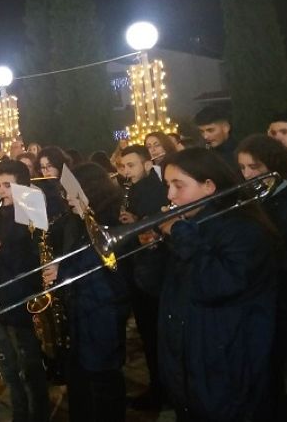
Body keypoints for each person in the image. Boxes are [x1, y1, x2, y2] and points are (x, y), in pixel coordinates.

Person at [158, 148, 277, 422]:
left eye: (179, 185)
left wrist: (178, 233)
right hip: (194, 369)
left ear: (209, 186)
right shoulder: (191, 225)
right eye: (168, 185)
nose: (170, 196)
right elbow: (156, 288)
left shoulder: (244, 229)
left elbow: (216, 284)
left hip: (228, 371)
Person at [44, 163, 130, 422]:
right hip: (79, 307)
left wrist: (64, 270)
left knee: (103, 378)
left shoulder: (110, 220)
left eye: (72, 192)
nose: (67, 198)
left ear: (89, 190)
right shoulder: (75, 221)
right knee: (79, 375)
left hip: (103, 308)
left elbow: (109, 266)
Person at [236, 134, 287, 421]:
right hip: (270, 296)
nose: (247, 174)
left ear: (273, 164)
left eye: (255, 167)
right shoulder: (261, 194)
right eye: (242, 167)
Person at [0, 159, 49, 422]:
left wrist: (1, 250)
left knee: (28, 367)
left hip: (21, 300)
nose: (1, 191)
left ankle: (37, 414)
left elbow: (35, 260)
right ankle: (20, 413)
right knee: (7, 365)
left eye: (8, 185)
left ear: (23, 186)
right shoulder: (0, 213)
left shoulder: (32, 213)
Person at [117, 145, 170, 410]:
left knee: (155, 337)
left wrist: (137, 221)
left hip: (153, 273)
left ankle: (163, 392)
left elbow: (157, 225)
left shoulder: (154, 189)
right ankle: (158, 388)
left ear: (147, 165)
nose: (127, 171)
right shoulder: (133, 189)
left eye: (132, 165)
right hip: (139, 269)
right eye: (123, 166)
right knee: (149, 336)